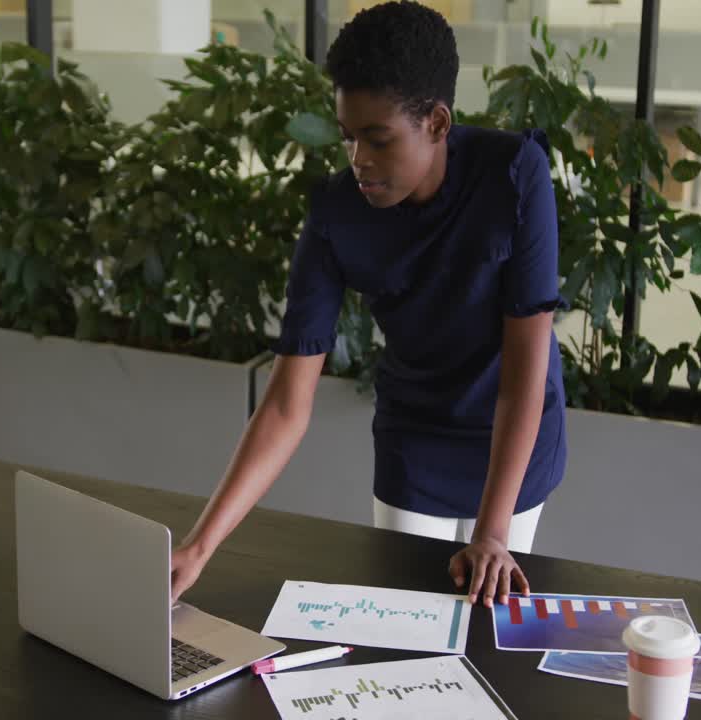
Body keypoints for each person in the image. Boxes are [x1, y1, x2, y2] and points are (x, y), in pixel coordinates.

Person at [171, 0, 567, 609]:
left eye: (378, 140)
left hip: (516, 432)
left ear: (436, 123)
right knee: (409, 621)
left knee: (490, 624)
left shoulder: (514, 175)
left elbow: (525, 373)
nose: (359, 159)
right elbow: (285, 404)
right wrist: (197, 549)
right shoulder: (337, 214)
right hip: (415, 439)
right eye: (349, 137)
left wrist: (493, 532)